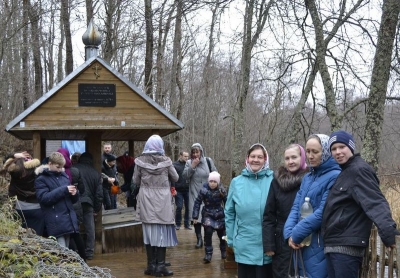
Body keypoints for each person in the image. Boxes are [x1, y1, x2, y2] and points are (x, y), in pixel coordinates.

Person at [322, 130, 400, 278]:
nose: (338, 152)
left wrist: (388, 232)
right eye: (333, 149)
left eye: (342, 147)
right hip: (334, 245)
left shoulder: (359, 170)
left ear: (351, 147)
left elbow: (375, 202)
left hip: (346, 247)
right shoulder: (345, 172)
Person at [283, 134, 341, 278]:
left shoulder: (335, 176)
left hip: (319, 244)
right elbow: (296, 206)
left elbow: (323, 211)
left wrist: (296, 234)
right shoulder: (308, 177)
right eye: (308, 151)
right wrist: (289, 233)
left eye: (315, 152)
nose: (310, 156)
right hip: (300, 243)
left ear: (326, 152)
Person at [224, 143, 274, 278]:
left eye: (260, 157)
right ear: (247, 158)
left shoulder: (273, 180)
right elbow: (229, 213)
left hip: (266, 244)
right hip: (244, 242)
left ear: (265, 159)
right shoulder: (236, 182)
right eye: (253, 156)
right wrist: (231, 239)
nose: (256, 160)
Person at [133, 135, 179, 277]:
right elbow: (176, 177)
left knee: (148, 233)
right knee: (161, 233)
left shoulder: (140, 162)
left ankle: (151, 266)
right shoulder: (166, 161)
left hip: (146, 200)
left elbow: (135, 180)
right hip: (162, 201)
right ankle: (160, 267)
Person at [262, 144, 309, 277]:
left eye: (294, 157)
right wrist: (269, 245)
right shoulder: (276, 182)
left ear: (302, 157)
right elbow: (268, 215)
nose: (290, 161)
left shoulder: (310, 178)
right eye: (287, 158)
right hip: (281, 241)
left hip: (307, 239)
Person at [34, 152, 79, 247]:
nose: (60, 170)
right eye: (58, 167)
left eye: (61, 167)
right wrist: (64, 190)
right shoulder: (41, 179)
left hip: (67, 220)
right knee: (62, 252)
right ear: (50, 164)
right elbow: (44, 198)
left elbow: (72, 201)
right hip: (55, 221)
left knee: (67, 251)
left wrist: (75, 194)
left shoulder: (64, 176)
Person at [1, 151, 45, 236]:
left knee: (22, 235)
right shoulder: (36, 171)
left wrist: (14, 155)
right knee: (37, 236)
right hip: (37, 209)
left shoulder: (14, 173)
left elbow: (5, 163)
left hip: (20, 208)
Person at [183, 143, 217, 248]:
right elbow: (185, 176)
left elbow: (215, 173)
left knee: (207, 217)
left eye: (197, 152)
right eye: (193, 152)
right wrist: (193, 166)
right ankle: (199, 239)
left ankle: (207, 239)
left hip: (207, 193)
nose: (195, 154)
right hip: (194, 193)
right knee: (196, 218)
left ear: (201, 152)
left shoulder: (208, 161)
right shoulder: (188, 162)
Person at [57, 148, 86, 260]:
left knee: (67, 234)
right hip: (76, 205)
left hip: (63, 206)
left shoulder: (56, 172)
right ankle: (82, 258)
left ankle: (71, 257)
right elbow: (82, 189)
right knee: (75, 233)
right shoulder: (75, 171)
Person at [73, 152, 103, 260]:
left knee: (74, 227)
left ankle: (75, 251)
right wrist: (96, 208)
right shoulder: (95, 173)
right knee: (90, 229)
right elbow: (99, 194)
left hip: (75, 202)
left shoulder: (74, 169)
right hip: (88, 204)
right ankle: (89, 252)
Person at [193, 171, 227, 263]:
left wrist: (229, 215)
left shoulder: (222, 191)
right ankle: (208, 253)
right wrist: (195, 216)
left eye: (214, 182)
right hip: (208, 214)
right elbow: (197, 203)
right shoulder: (203, 190)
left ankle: (224, 250)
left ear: (218, 182)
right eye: (211, 181)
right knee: (208, 233)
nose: (212, 183)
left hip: (220, 214)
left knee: (223, 235)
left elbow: (227, 203)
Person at [172, 151, 191, 230]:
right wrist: (173, 188)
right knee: (179, 207)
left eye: (187, 156)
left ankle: (187, 224)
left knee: (188, 207)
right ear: (180, 156)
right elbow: (172, 177)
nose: (186, 158)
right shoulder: (175, 165)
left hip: (187, 189)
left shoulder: (189, 164)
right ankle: (178, 223)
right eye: (185, 156)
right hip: (178, 189)